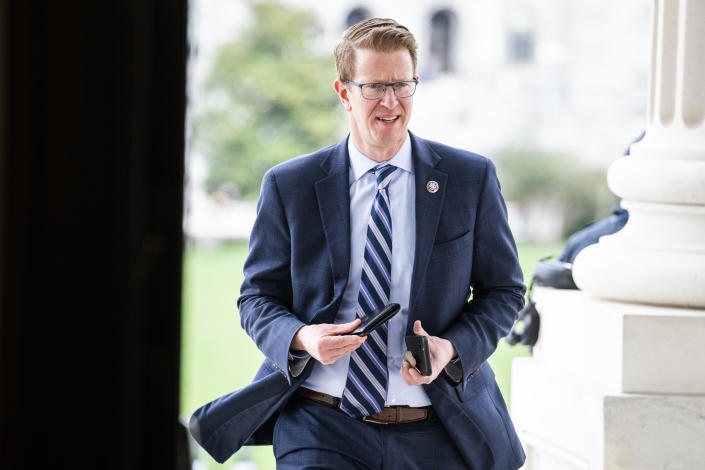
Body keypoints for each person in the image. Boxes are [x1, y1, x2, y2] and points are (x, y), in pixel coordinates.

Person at [190, 18, 526, 470]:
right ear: (344, 92)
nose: (390, 102)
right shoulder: (291, 185)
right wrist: (302, 337)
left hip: (437, 426)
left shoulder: (470, 179)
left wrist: (451, 349)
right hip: (321, 421)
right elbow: (257, 297)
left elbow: (503, 292)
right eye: (374, 87)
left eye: (402, 85)